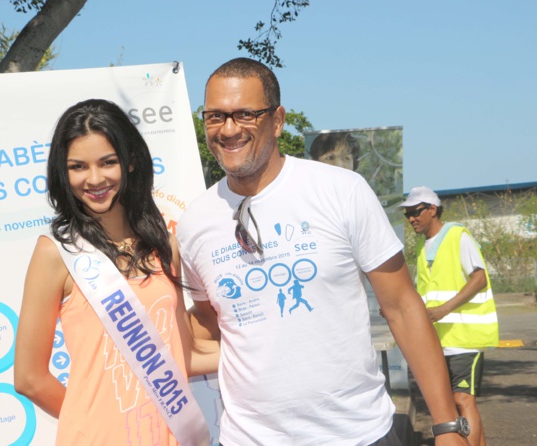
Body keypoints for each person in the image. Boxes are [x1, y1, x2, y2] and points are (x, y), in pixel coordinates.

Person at [178, 57, 469, 445]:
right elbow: (208, 322)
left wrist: (447, 424)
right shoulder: (195, 222)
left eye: (245, 114)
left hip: (359, 433)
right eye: (216, 116)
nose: (229, 129)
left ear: (277, 120)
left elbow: (401, 306)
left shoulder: (341, 190)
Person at [14, 99, 217, 445]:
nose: (94, 179)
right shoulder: (56, 253)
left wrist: (258, 353)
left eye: (108, 162)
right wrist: (91, 424)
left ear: (131, 162)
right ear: (63, 172)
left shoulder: (164, 246)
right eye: (78, 166)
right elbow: (29, 378)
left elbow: (179, 355)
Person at [399, 186, 498, 446]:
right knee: (453, 405)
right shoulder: (422, 246)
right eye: (407, 214)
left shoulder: (458, 236)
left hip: (465, 336)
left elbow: (479, 278)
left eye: (415, 212)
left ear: (432, 209)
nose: (411, 219)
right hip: (438, 339)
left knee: (462, 400)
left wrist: (445, 309)